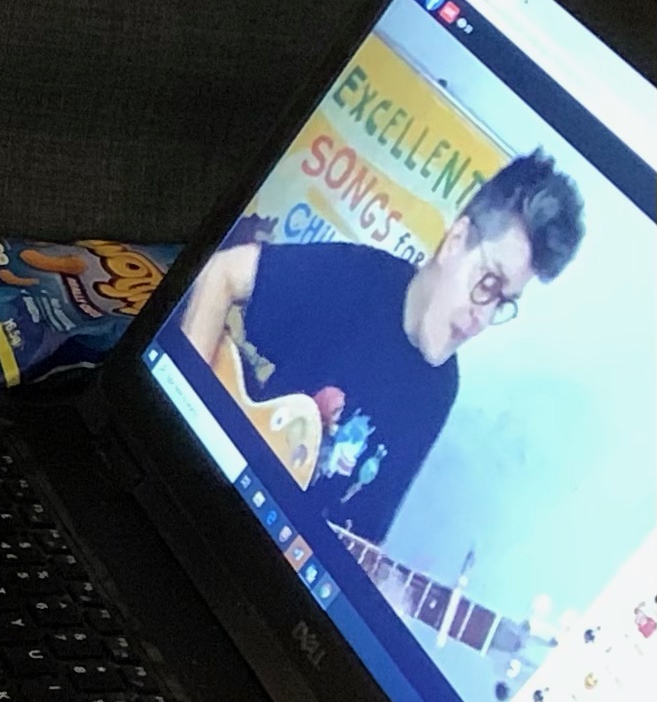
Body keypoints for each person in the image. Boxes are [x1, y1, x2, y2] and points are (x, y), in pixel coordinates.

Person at [177, 149, 587, 532]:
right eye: (487, 283)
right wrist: (184, 418)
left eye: (502, 303)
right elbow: (221, 273)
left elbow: (361, 534)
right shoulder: (360, 278)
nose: (481, 317)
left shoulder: (439, 391)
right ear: (457, 240)